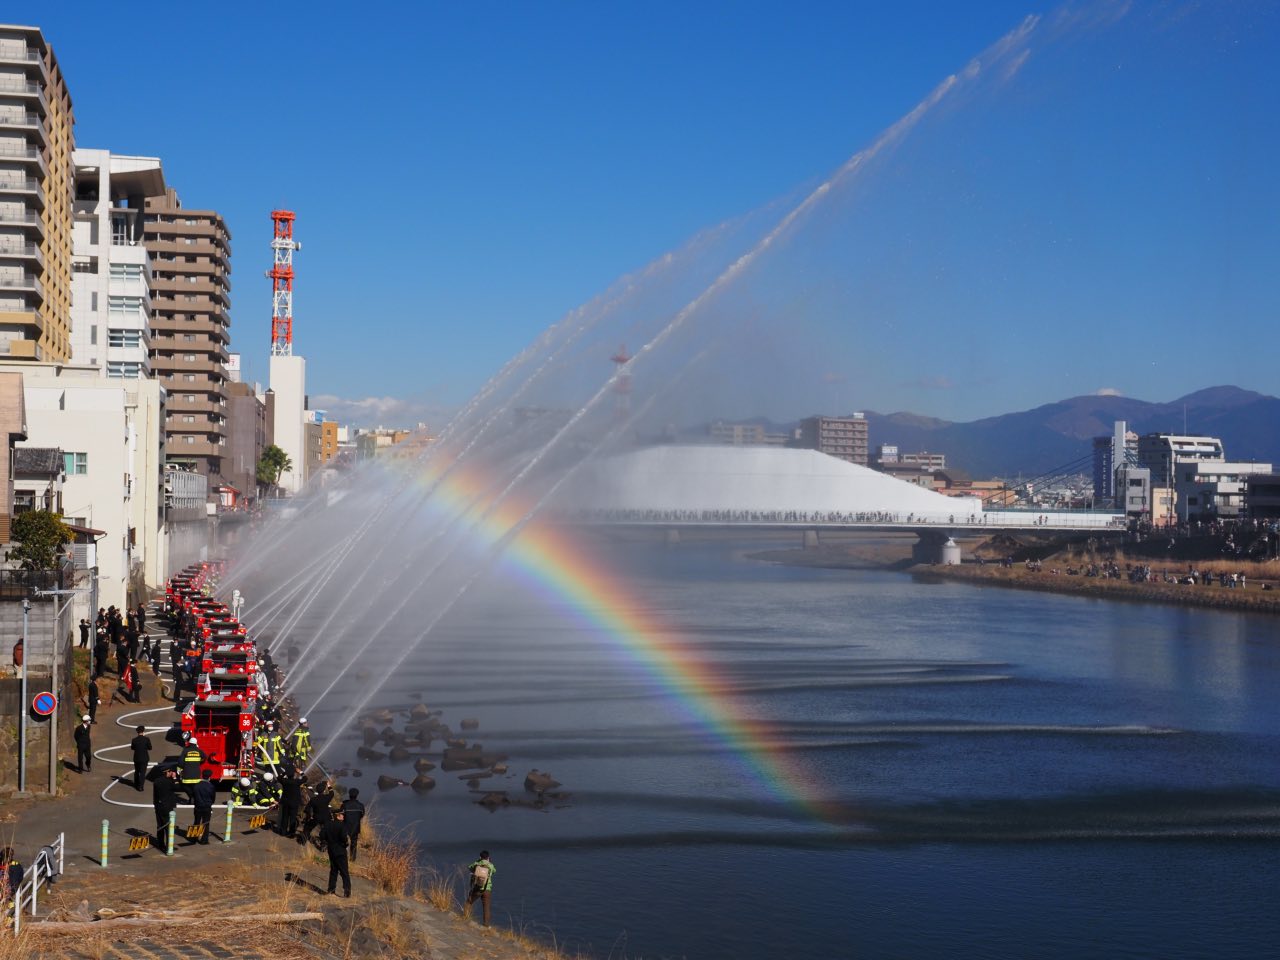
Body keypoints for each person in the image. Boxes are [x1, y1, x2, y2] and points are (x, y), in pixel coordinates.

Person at [320, 808, 351, 897]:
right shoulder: (342, 826)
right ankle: (347, 892)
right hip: (340, 851)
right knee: (344, 872)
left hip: (331, 850)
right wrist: (345, 843)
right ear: (338, 816)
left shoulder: (328, 824)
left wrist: (326, 841)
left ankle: (331, 890)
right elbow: (344, 838)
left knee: (333, 871)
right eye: (342, 815)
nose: (343, 816)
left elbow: (322, 835)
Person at [463, 850, 496, 926]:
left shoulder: (477, 863)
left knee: (469, 902)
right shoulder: (490, 865)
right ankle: (486, 924)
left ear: (480, 857)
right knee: (486, 907)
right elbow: (494, 871)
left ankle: (465, 917)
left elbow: (469, 867)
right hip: (487, 889)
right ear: (488, 857)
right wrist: (489, 862)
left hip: (477, 888)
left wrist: (478, 861)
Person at [153, 766, 178, 849]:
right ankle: (169, 846)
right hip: (167, 807)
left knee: (160, 826)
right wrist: (174, 778)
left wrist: (156, 805)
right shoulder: (169, 782)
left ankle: (160, 844)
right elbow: (178, 788)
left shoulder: (156, 781)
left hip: (158, 806)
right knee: (168, 827)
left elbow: (155, 795)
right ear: (168, 772)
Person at [278, 767, 304, 838]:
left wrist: (285, 772)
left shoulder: (284, 781)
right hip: (294, 803)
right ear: (294, 774)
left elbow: (279, 778)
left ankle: (283, 832)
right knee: (293, 818)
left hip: (285, 803)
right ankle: (291, 834)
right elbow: (305, 778)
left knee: (285, 817)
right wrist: (300, 772)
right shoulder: (297, 782)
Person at [179, 735, 206, 804]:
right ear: (196, 743)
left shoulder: (185, 750)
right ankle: (194, 797)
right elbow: (205, 757)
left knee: (184, 785)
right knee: (195, 788)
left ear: (189, 743)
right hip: (196, 775)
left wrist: (183, 768)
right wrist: (200, 762)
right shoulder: (199, 751)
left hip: (187, 774)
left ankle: (192, 796)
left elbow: (180, 762)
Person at [341, 788, 365, 862]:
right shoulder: (361, 805)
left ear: (349, 795)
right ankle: (352, 859)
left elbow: (341, 815)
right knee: (354, 843)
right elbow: (362, 815)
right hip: (356, 826)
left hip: (345, 826)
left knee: (343, 842)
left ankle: (342, 857)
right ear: (357, 795)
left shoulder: (344, 805)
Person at [192, 770, 216, 845]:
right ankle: (204, 840)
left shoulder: (196, 785)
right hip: (207, 807)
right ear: (209, 777)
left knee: (196, 822)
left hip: (198, 806)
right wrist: (210, 803)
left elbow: (193, 796)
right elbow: (213, 798)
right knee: (205, 823)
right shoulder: (211, 786)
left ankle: (194, 838)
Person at [130, 725, 152, 792]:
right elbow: (150, 748)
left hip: (137, 758)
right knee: (142, 773)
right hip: (144, 758)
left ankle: (136, 784)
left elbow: (132, 748)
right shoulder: (146, 739)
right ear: (143, 731)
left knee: (137, 771)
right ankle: (141, 786)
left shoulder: (134, 740)